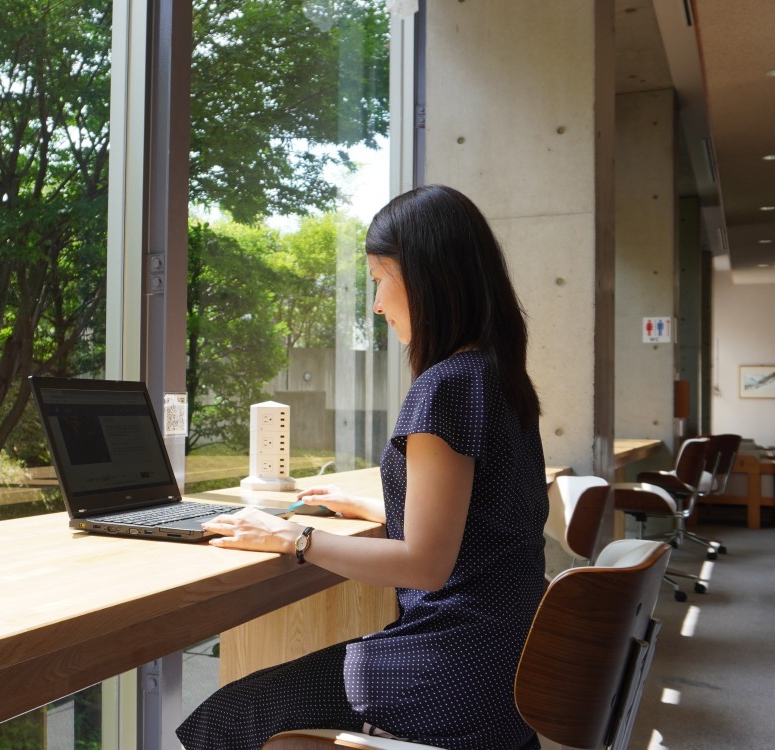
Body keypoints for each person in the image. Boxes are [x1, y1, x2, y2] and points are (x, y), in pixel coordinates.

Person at [177, 185, 548, 750]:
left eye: (379, 278)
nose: (376, 304)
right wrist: (372, 508)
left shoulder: (444, 388)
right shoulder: (498, 378)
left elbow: (424, 564)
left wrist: (294, 536)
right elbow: (485, 522)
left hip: (452, 667)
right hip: (507, 664)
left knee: (226, 718)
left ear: (427, 279)